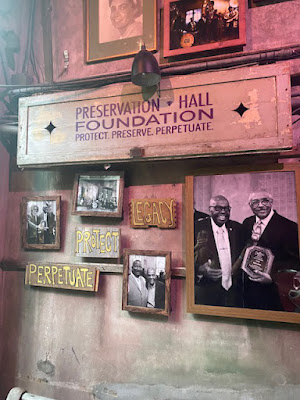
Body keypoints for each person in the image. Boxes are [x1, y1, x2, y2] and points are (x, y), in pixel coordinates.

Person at [242, 190, 300, 311]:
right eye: (255, 202)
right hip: (248, 291)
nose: (261, 205)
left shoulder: (289, 226)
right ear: (250, 205)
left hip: (274, 292)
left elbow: (294, 261)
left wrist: (272, 277)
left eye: (265, 200)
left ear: (271, 202)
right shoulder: (247, 223)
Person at [194, 195, 245, 307]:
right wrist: (200, 269)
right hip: (207, 292)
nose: (223, 212)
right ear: (210, 209)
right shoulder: (196, 227)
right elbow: (186, 257)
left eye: (226, 208)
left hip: (235, 293)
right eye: (218, 208)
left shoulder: (238, 228)